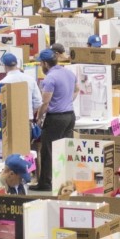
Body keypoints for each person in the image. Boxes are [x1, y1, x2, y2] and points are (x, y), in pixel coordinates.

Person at [35, 48, 78, 193]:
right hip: (69, 115)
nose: (41, 66)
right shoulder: (69, 73)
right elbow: (77, 89)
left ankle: (45, 183)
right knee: (65, 150)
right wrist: (67, 101)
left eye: (41, 63)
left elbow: (45, 103)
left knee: (47, 151)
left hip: (56, 118)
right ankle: (65, 181)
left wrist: (39, 118)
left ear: (45, 63)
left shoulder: (50, 78)